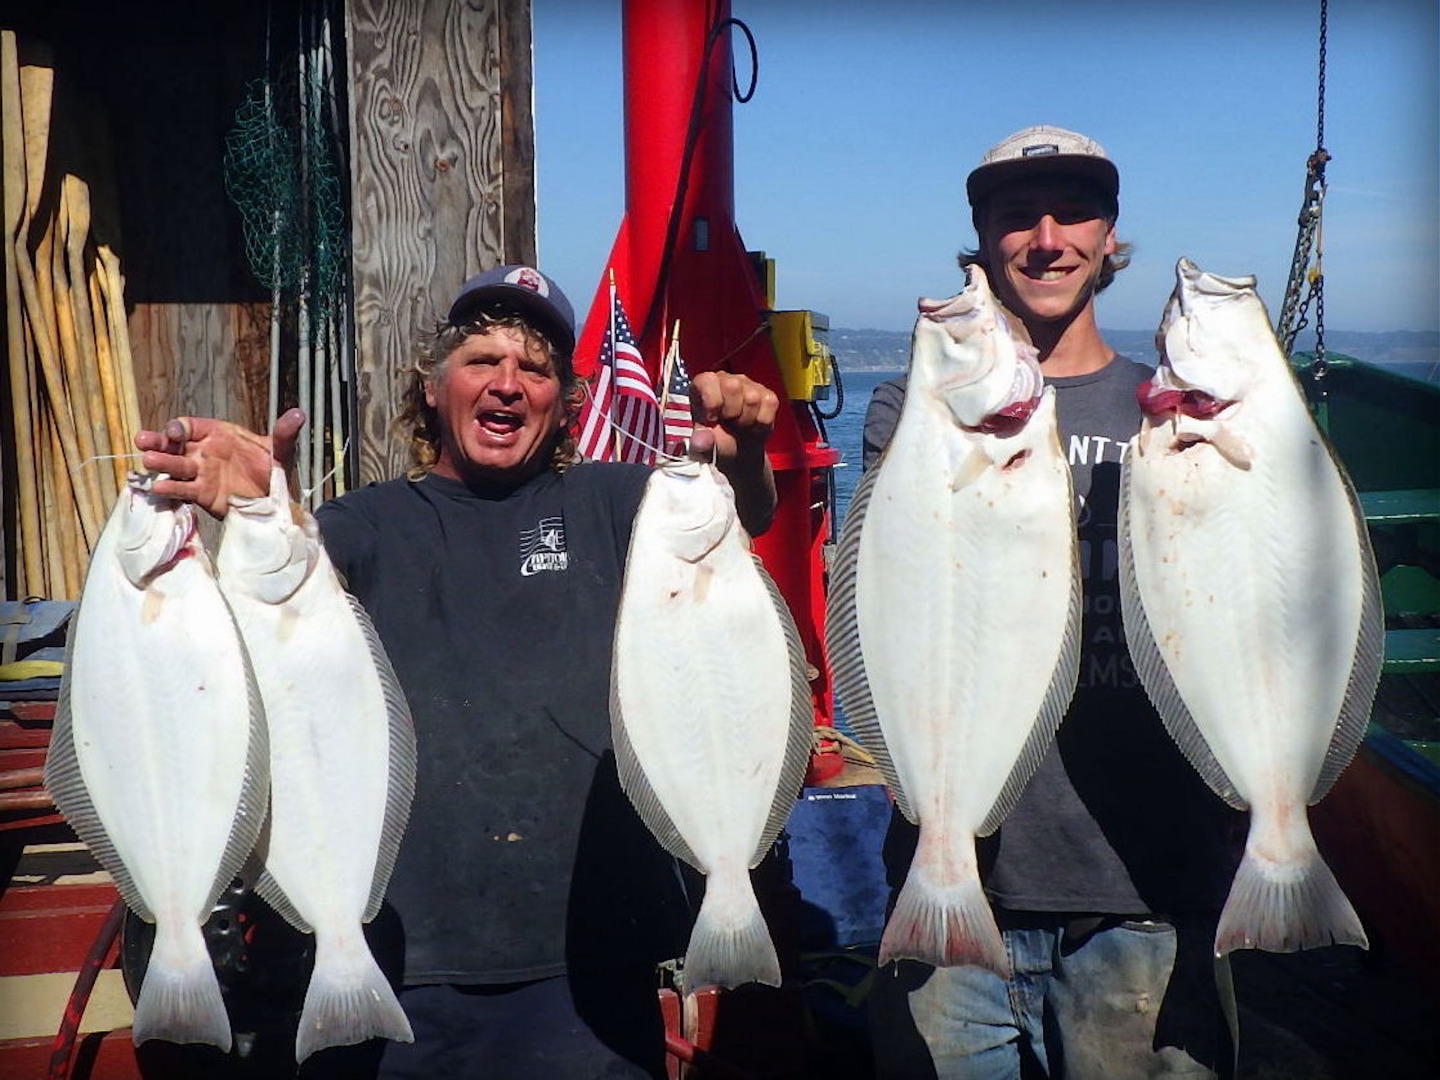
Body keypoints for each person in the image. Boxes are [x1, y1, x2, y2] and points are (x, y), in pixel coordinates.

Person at [134, 264, 780, 1079]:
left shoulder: (618, 503)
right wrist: (267, 514)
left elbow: (736, 517)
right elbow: (287, 600)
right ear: (433, 387)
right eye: (481, 361)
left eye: (536, 368)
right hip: (399, 960)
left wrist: (746, 448)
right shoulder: (365, 522)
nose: (508, 385)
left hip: (592, 960)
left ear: (562, 399)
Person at [861, 127, 1241, 1079]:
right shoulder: (914, 416)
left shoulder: (1174, 409)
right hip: (955, 891)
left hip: (1143, 892)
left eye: (1074, 211)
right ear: (983, 239)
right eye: (1015, 215)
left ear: (1111, 237)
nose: (1045, 236)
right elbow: (875, 595)